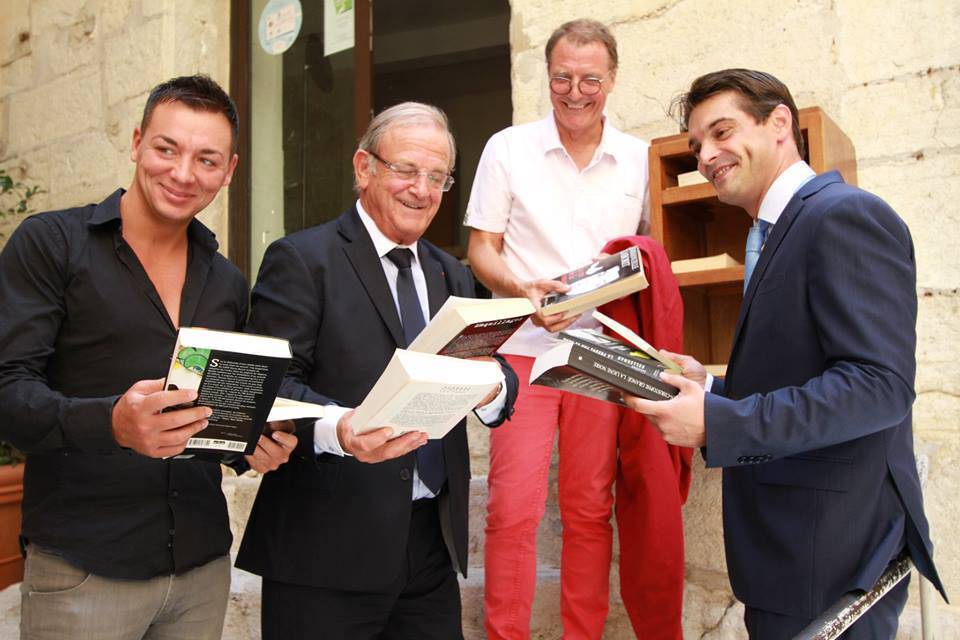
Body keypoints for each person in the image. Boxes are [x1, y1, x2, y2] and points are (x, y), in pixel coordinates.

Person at [627, 68, 947, 638]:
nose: (706, 155)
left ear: (779, 123)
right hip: (792, 557)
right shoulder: (775, 231)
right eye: (698, 144)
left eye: (722, 132)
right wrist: (711, 390)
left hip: (834, 558)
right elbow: (806, 373)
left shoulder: (842, 214)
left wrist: (718, 423)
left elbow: (879, 386)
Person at [0, 75, 296, 640]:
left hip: (201, 566)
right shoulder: (50, 245)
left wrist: (252, 443)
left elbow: (215, 412)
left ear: (229, 171)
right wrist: (110, 422)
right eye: (167, 149)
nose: (184, 174)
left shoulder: (228, 281)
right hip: (85, 568)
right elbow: (7, 392)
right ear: (137, 142)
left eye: (207, 159)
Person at [235, 101, 519, 640]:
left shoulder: (451, 274)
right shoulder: (302, 259)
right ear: (364, 167)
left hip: (429, 548)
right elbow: (267, 387)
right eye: (407, 170)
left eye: (437, 177)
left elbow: (492, 366)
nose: (422, 189)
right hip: (324, 554)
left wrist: (495, 387)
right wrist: (339, 429)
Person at [465, 18, 685, 640]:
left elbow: (654, 259)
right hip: (524, 349)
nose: (575, 91)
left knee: (590, 511)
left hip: (602, 354)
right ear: (548, 76)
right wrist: (521, 289)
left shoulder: (643, 158)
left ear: (612, 79)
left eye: (590, 78)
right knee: (512, 511)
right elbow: (482, 247)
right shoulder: (507, 147)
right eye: (562, 76)